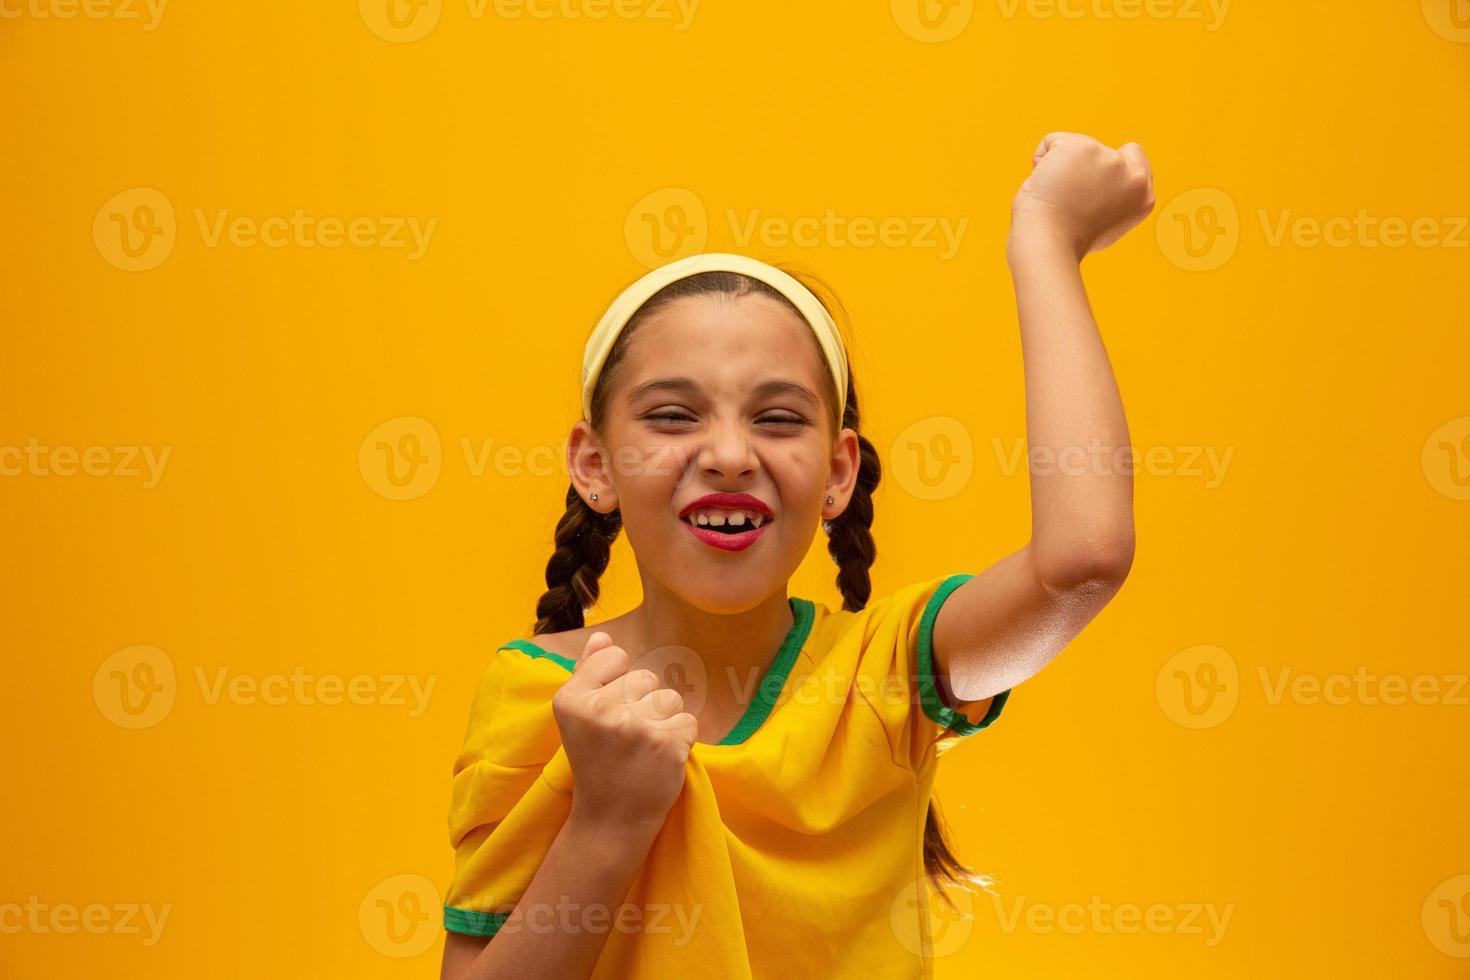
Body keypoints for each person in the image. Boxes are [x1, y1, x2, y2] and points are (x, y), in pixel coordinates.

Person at [439, 131, 1154, 979]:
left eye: (778, 418)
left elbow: (1084, 559)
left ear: (838, 471)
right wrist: (605, 821)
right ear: (595, 465)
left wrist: (1046, 239)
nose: (731, 454)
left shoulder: (885, 678)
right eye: (673, 416)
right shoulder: (540, 698)